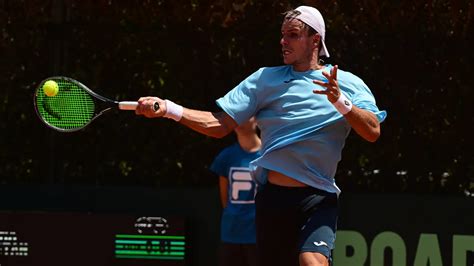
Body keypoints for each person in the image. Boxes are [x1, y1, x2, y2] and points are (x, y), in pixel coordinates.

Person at [135, 5, 387, 266]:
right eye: (282, 34)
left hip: (318, 197)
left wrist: (341, 102)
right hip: (273, 200)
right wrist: (169, 109)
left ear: (315, 40)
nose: (283, 41)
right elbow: (219, 124)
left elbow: (372, 132)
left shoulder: (346, 83)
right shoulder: (265, 80)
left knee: (313, 261)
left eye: (292, 34)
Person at [209, 117, 261, 266]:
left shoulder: (269, 155)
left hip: (259, 234)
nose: (240, 120)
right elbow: (224, 198)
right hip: (231, 233)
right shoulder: (226, 156)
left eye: (246, 115)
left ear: (257, 120)